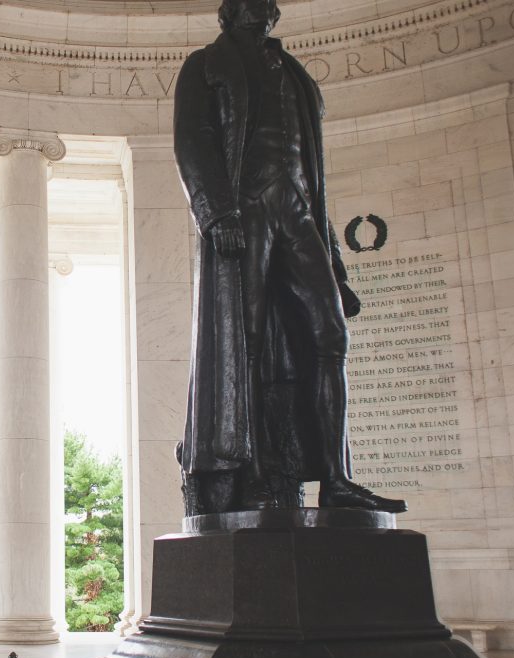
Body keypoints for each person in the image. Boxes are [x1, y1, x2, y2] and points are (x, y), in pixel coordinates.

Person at [172, 0, 406, 514]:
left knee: (330, 334)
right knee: (247, 345)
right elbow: (193, 142)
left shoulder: (295, 75)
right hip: (245, 208)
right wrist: (216, 215)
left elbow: (314, 176)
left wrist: (338, 271)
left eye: (271, 3)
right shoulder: (205, 66)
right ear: (229, 10)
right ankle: (255, 473)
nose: (267, 8)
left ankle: (338, 479)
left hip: (298, 212)